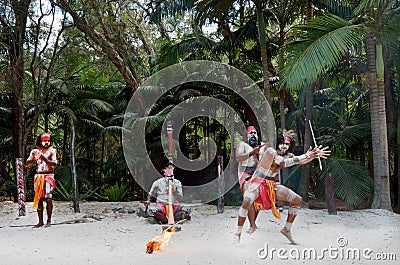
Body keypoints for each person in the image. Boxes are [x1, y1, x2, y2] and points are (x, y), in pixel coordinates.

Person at [234, 132, 330, 244]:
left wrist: (313, 155)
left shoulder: (288, 156)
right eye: (282, 143)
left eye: (287, 144)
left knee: (297, 200)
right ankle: (237, 234)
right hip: (257, 182)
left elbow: (299, 161)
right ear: (277, 143)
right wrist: (306, 156)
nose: (284, 146)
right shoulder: (270, 151)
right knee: (247, 200)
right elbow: (283, 162)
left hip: (270, 185)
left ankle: (287, 229)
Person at [235, 126, 266, 234]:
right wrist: (252, 153)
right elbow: (238, 158)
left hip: (257, 174)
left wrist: (258, 155)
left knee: (258, 200)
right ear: (247, 135)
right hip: (245, 174)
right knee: (249, 198)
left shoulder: (261, 146)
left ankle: (253, 224)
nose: (253, 134)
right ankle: (252, 226)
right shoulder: (242, 145)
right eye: (251, 133)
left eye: (255, 133)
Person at [26, 132, 58, 227]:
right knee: (39, 198)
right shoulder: (35, 151)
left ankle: (49, 221)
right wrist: (33, 159)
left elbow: (54, 164)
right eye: (45, 141)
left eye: (48, 140)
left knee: (48, 197)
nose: (47, 142)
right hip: (39, 176)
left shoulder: (53, 151)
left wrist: (44, 159)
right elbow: (27, 163)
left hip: (49, 176)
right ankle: (40, 221)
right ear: (41, 141)